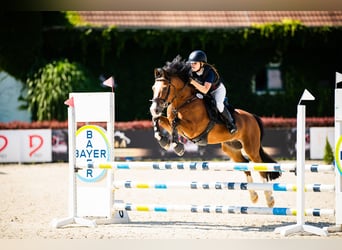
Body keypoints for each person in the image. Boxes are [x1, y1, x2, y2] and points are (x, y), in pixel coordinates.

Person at [187, 50, 237, 134]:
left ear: (202, 63)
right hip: (205, 92)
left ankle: (231, 124)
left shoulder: (209, 72)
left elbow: (205, 89)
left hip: (217, 90)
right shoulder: (191, 71)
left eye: (195, 63)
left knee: (218, 104)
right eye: (191, 63)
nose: (192, 65)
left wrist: (192, 81)